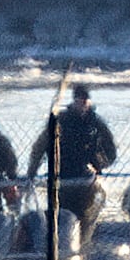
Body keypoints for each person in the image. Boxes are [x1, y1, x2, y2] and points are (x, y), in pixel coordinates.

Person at [28, 84, 117, 236]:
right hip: (61, 176)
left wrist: (99, 164)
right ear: (74, 101)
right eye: (79, 100)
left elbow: (111, 150)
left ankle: (80, 245)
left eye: (85, 101)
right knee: (62, 215)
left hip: (86, 180)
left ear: (89, 102)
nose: (82, 104)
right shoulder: (60, 121)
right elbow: (39, 148)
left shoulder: (95, 123)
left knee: (83, 216)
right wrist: (32, 172)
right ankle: (62, 246)